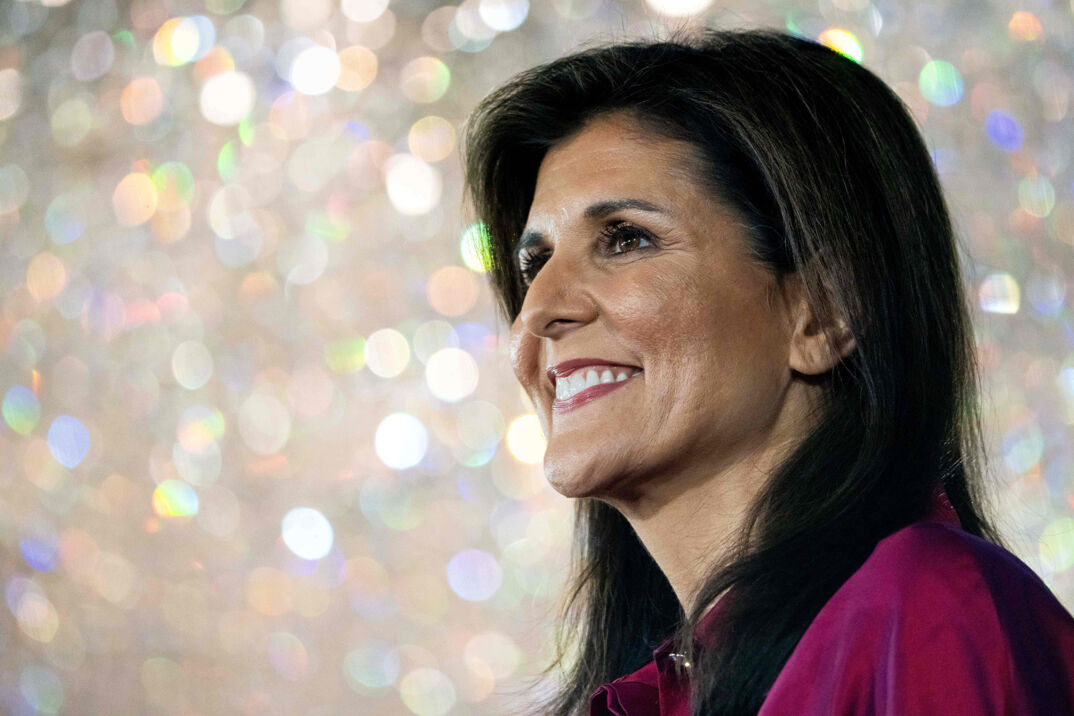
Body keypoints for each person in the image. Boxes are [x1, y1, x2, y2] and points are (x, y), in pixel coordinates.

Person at [461, 28, 1074, 715]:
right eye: (533, 264)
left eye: (627, 238)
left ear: (825, 315)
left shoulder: (929, 609)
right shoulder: (652, 694)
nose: (538, 312)